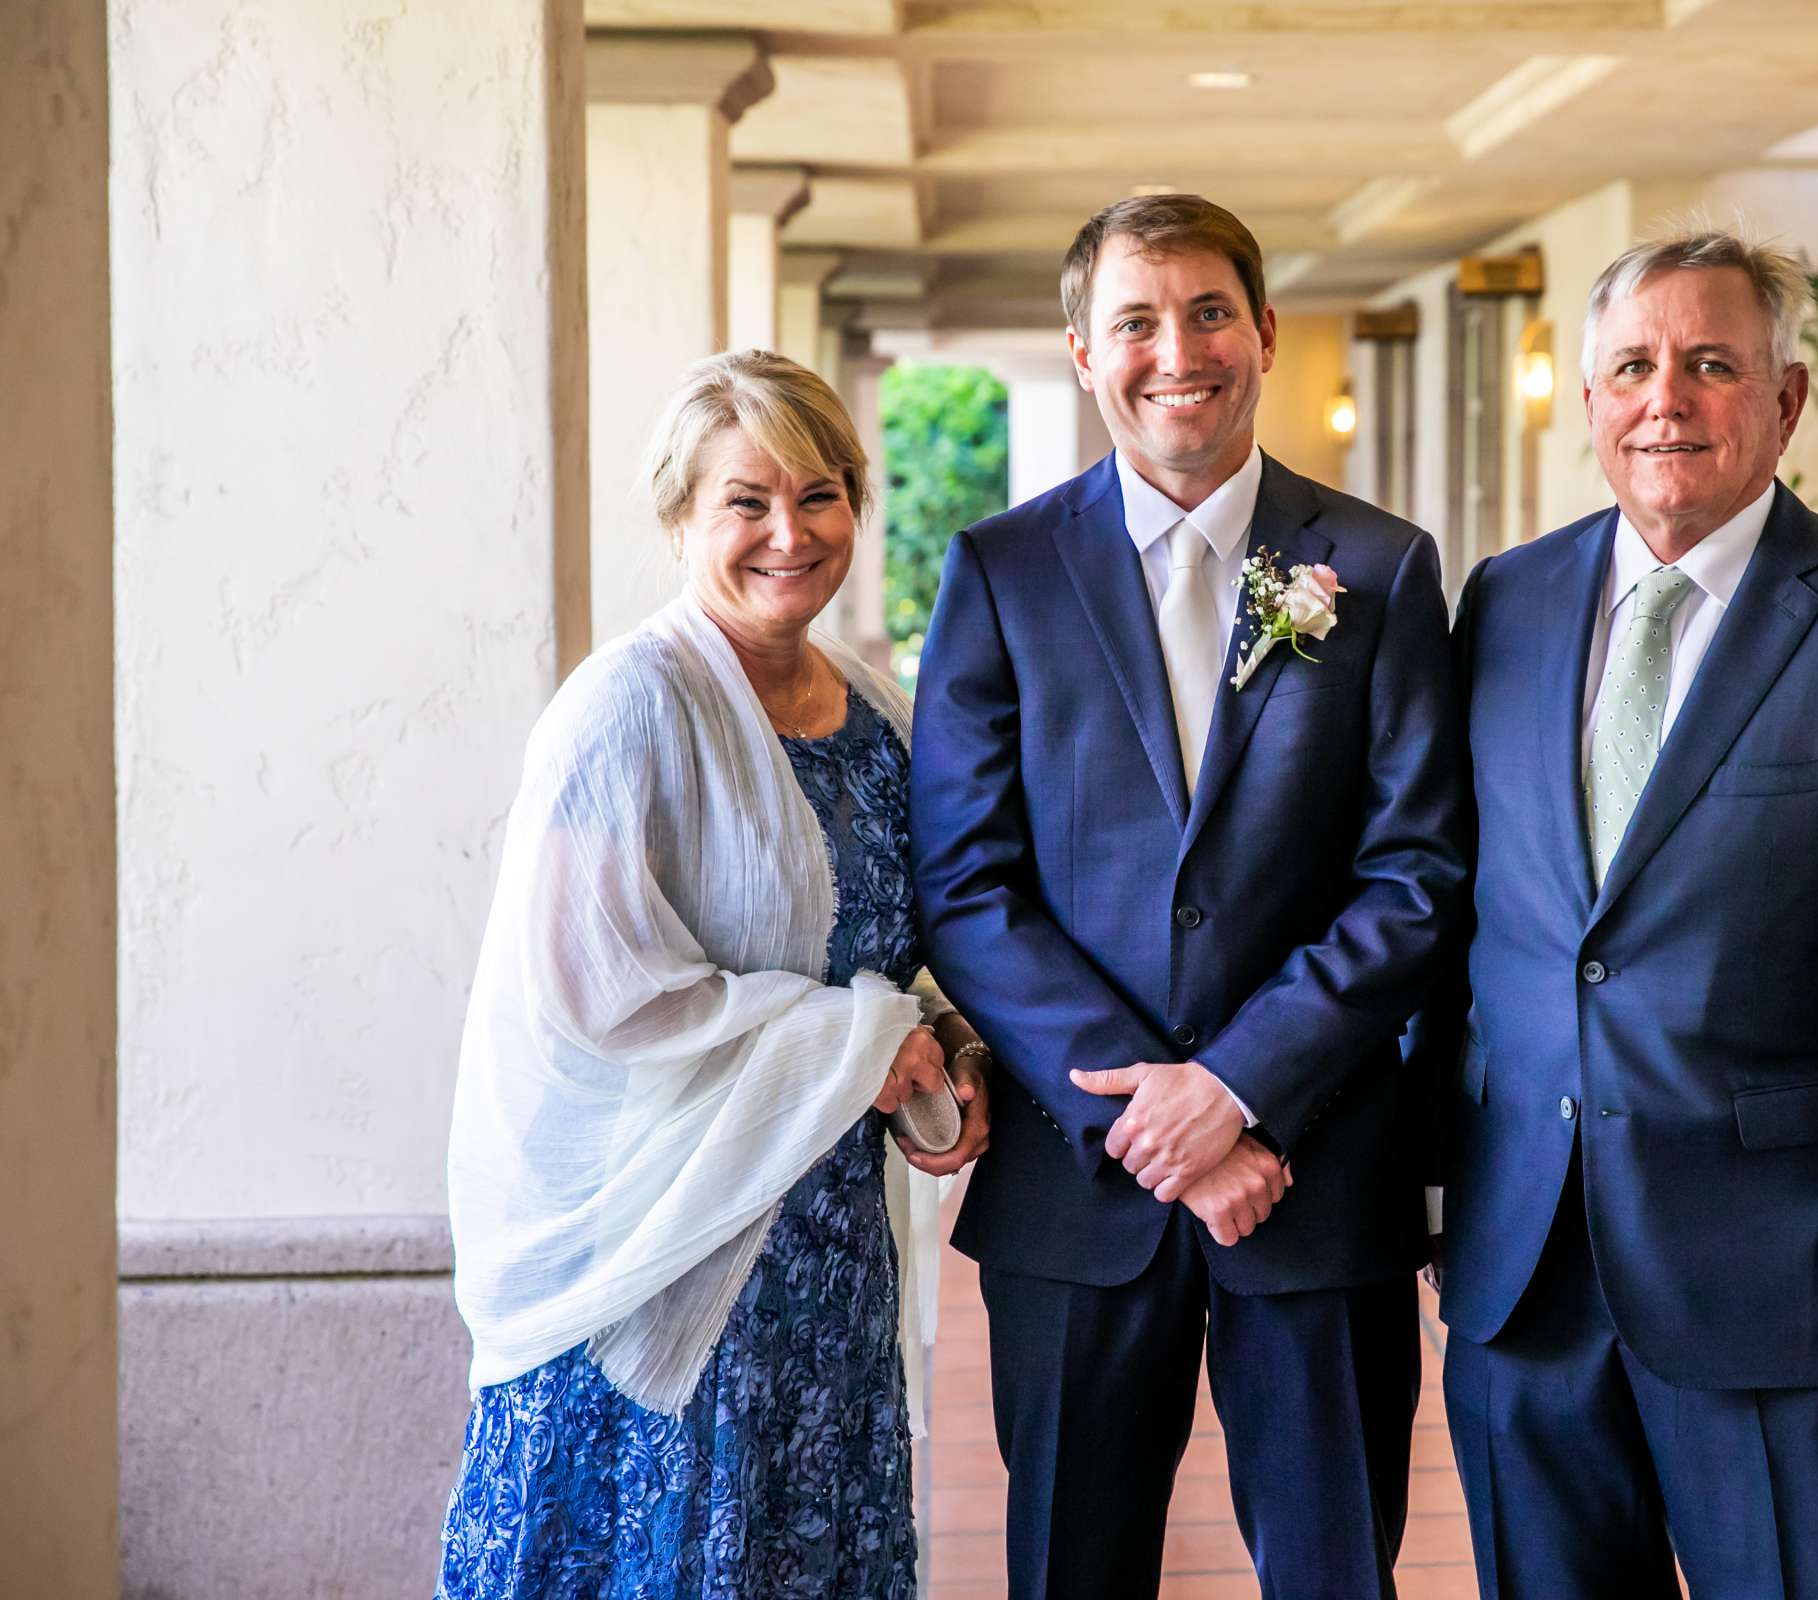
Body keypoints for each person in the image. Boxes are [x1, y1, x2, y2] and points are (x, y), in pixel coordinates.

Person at [1432, 229, 1818, 1599]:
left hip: (1781, 1288)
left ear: (1786, 401)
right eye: (1633, 367)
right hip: (1526, 1277)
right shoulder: (1505, 604)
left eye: (1710, 365)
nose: (1667, 400)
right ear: (1588, 405)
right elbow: (1466, 915)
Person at [908, 194, 1469, 1599]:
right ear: (1087, 355)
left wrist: (1240, 1088)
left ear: (1266, 334)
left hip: (1317, 1168)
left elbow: (1416, 878)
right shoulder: (1001, 572)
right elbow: (968, 885)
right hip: (1076, 1186)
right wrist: (1161, 1123)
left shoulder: (1380, 567)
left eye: (1210, 311)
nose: (1180, 351)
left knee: (1338, 1572)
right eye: (1138, 321)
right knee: (1068, 1572)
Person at [434, 350, 990, 1599]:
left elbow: (909, 951)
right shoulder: (626, 707)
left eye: (820, 493)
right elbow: (595, 992)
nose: (788, 533)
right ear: (681, 513)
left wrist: (947, 1049)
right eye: (747, 500)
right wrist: (859, 1044)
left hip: (828, 1263)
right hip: (665, 1263)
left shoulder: (877, 708)